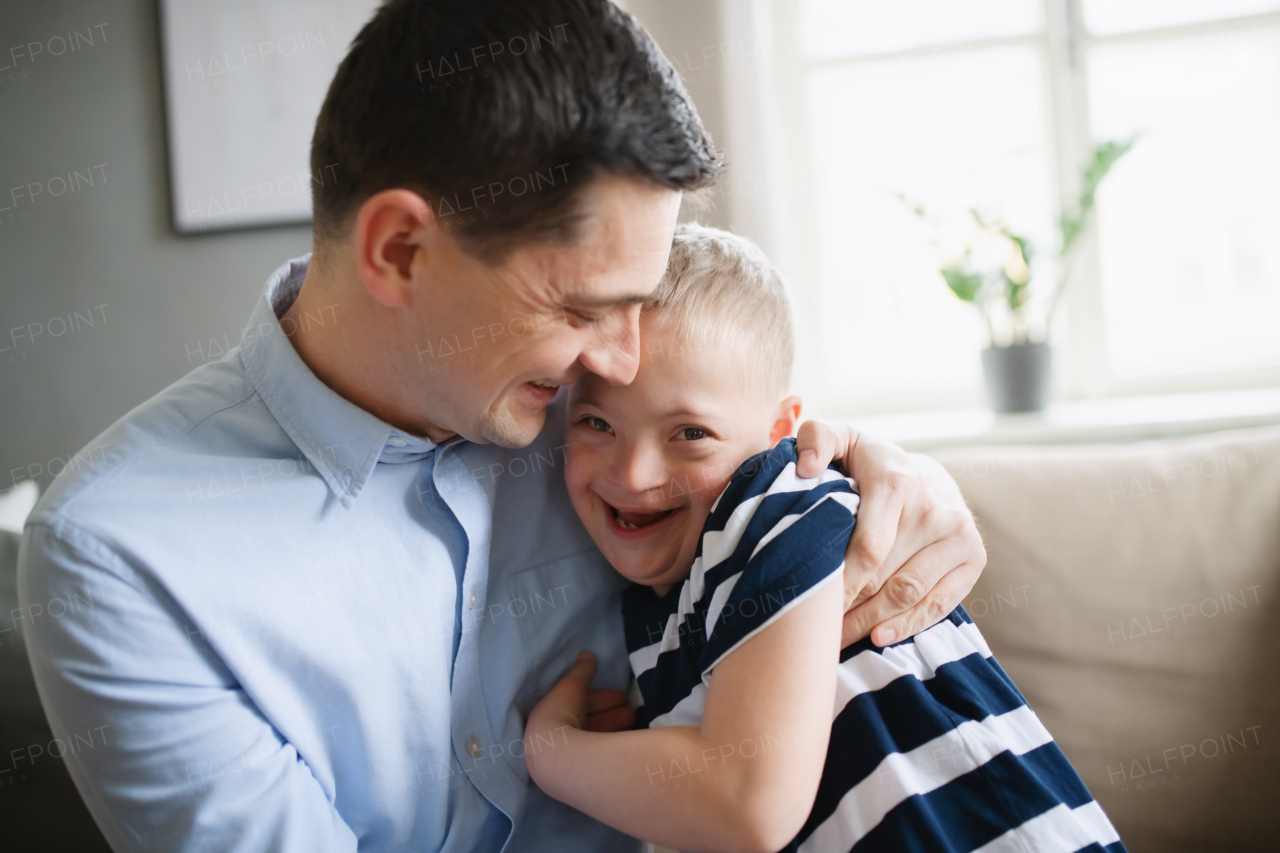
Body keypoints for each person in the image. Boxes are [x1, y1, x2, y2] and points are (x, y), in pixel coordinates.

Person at [17, 2, 985, 851]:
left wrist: (881, 479)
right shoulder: (119, 556)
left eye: (636, 306)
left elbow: (768, 478)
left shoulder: (610, 437)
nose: (616, 360)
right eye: (580, 310)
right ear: (399, 251)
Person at [524, 224, 1124, 853]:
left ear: (780, 430)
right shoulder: (670, 597)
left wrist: (553, 752)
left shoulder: (777, 507)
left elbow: (747, 808)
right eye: (596, 423)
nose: (631, 474)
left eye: (690, 433)